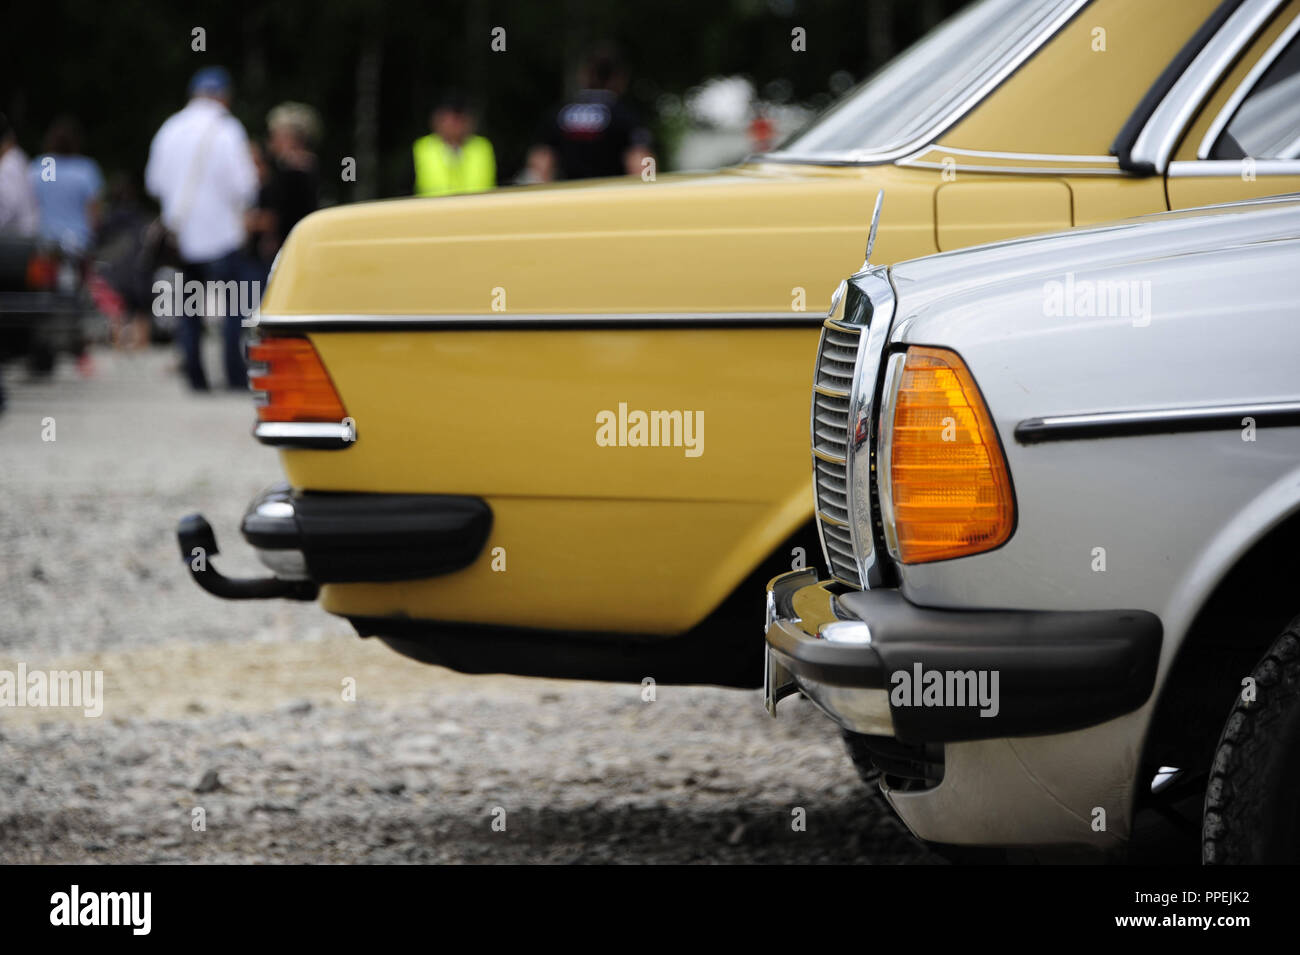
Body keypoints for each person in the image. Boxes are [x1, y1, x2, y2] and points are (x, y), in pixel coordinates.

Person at [144, 66, 259, 391]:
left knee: (190, 308)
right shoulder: (228, 130)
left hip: (181, 238)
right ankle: (234, 374)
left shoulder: (170, 128)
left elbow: (153, 182)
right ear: (223, 96)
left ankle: (196, 377)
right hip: (222, 235)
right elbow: (245, 186)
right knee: (235, 306)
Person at [525, 48, 654, 182]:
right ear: (620, 78)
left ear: (584, 75)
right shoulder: (624, 115)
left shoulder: (558, 113)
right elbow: (640, 165)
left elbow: (540, 166)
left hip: (570, 197)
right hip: (612, 197)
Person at [249, 102, 320, 274]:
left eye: (275, 136)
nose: (272, 142)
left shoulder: (292, 172)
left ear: (291, 139)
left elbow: (274, 217)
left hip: (284, 254)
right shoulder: (306, 168)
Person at [28, 116, 104, 256]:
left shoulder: (40, 166)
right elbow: (95, 216)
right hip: (79, 244)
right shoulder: (86, 169)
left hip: (43, 243)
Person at [411, 93, 496, 197]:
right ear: (437, 120)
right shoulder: (422, 147)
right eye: (451, 118)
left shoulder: (482, 147)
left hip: (477, 210)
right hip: (432, 210)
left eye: (460, 119)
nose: (455, 124)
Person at [0, 113, 39, 236]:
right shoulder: (17, 157)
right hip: (24, 235)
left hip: (16, 239)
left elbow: (8, 207)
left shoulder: (8, 167)